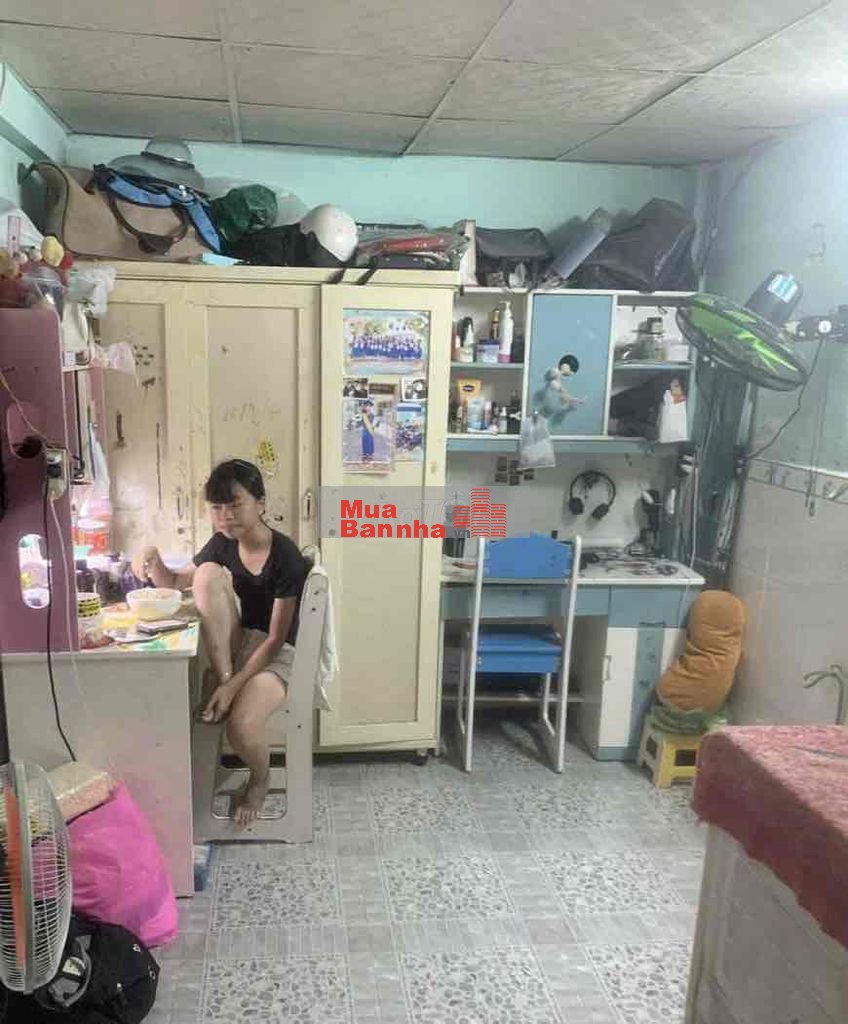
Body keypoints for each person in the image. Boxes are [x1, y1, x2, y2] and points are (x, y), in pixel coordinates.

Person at [133, 459, 309, 827]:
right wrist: (151, 557)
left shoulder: (286, 556)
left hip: (279, 654)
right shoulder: (223, 544)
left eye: (235, 505)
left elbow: (276, 638)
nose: (225, 516)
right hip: (243, 644)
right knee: (207, 573)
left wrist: (230, 687)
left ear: (260, 503)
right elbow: (175, 582)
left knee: (240, 728)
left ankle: (260, 779)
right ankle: (223, 676)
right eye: (216, 508)